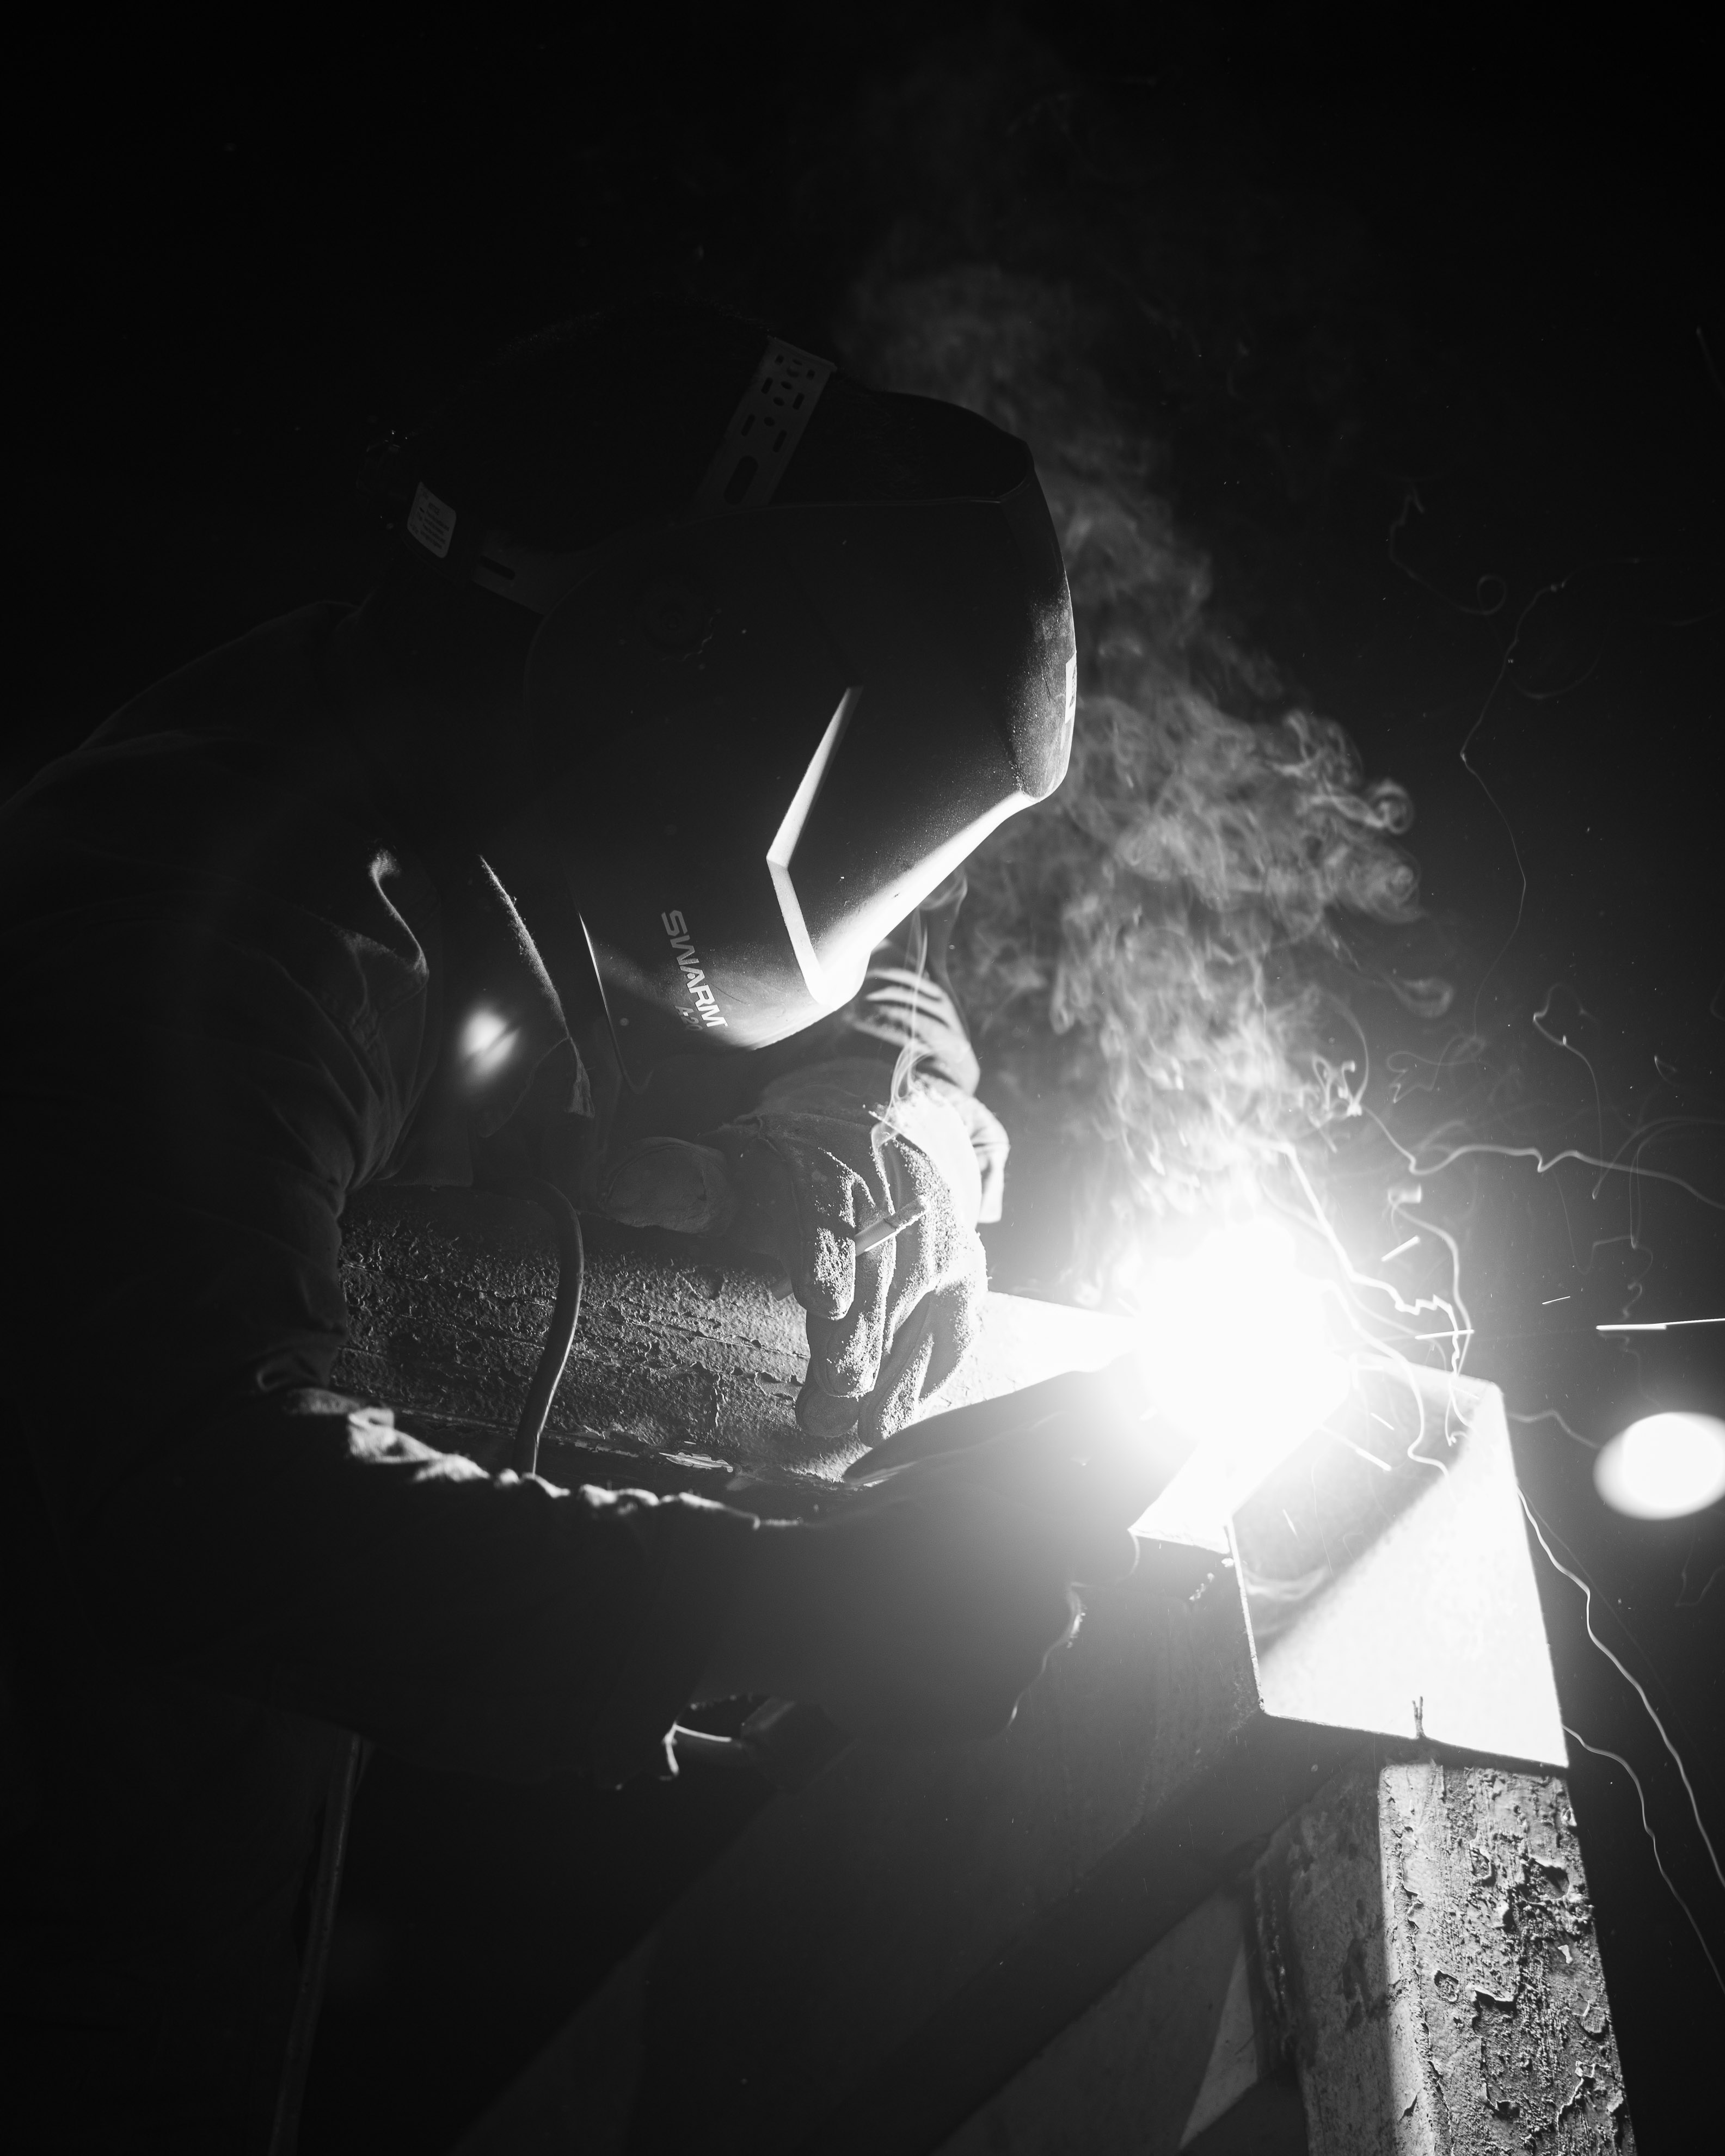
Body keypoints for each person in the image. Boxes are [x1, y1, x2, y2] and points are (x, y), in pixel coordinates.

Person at [0, 301, 1128, 2150]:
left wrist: (889, 1128)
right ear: (686, 660)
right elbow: (194, 1501)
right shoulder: (209, 919)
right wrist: (798, 1598)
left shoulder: (513, 795)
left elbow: (880, 954)